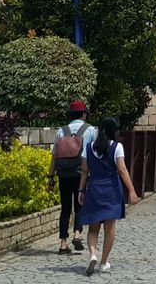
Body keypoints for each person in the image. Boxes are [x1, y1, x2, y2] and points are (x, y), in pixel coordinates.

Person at [77, 117, 140, 276]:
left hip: (94, 189)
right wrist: (131, 190)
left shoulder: (89, 147)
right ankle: (103, 262)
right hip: (111, 190)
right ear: (114, 132)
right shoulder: (117, 147)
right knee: (109, 228)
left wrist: (81, 190)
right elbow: (122, 169)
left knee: (93, 228)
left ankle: (92, 254)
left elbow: (84, 170)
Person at [48, 101, 97, 254]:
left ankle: (63, 243)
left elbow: (55, 156)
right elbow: (93, 154)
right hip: (80, 173)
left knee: (65, 208)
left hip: (63, 174)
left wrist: (50, 176)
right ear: (84, 114)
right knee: (80, 204)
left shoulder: (61, 131)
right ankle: (77, 234)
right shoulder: (89, 130)